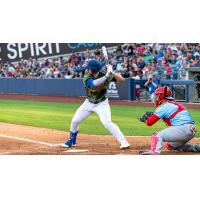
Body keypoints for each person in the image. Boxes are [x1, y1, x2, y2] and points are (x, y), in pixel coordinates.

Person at [62, 59, 130, 149]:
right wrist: (106, 76)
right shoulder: (86, 76)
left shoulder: (106, 75)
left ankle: (123, 142)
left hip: (102, 103)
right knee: (75, 121)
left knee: (106, 122)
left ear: (93, 70)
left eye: (88, 68)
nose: (87, 69)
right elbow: (93, 84)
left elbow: (122, 80)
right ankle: (72, 141)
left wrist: (112, 72)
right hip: (88, 103)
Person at [139, 86, 200, 155]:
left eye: (157, 96)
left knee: (156, 135)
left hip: (183, 129)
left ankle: (154, 151)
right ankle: (195, 147)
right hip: (191, 131)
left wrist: (144, 119)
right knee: (170, 146)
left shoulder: (164, 106)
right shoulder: (176, 104)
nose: (155, 98)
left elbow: (149, 123)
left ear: (161, 96)